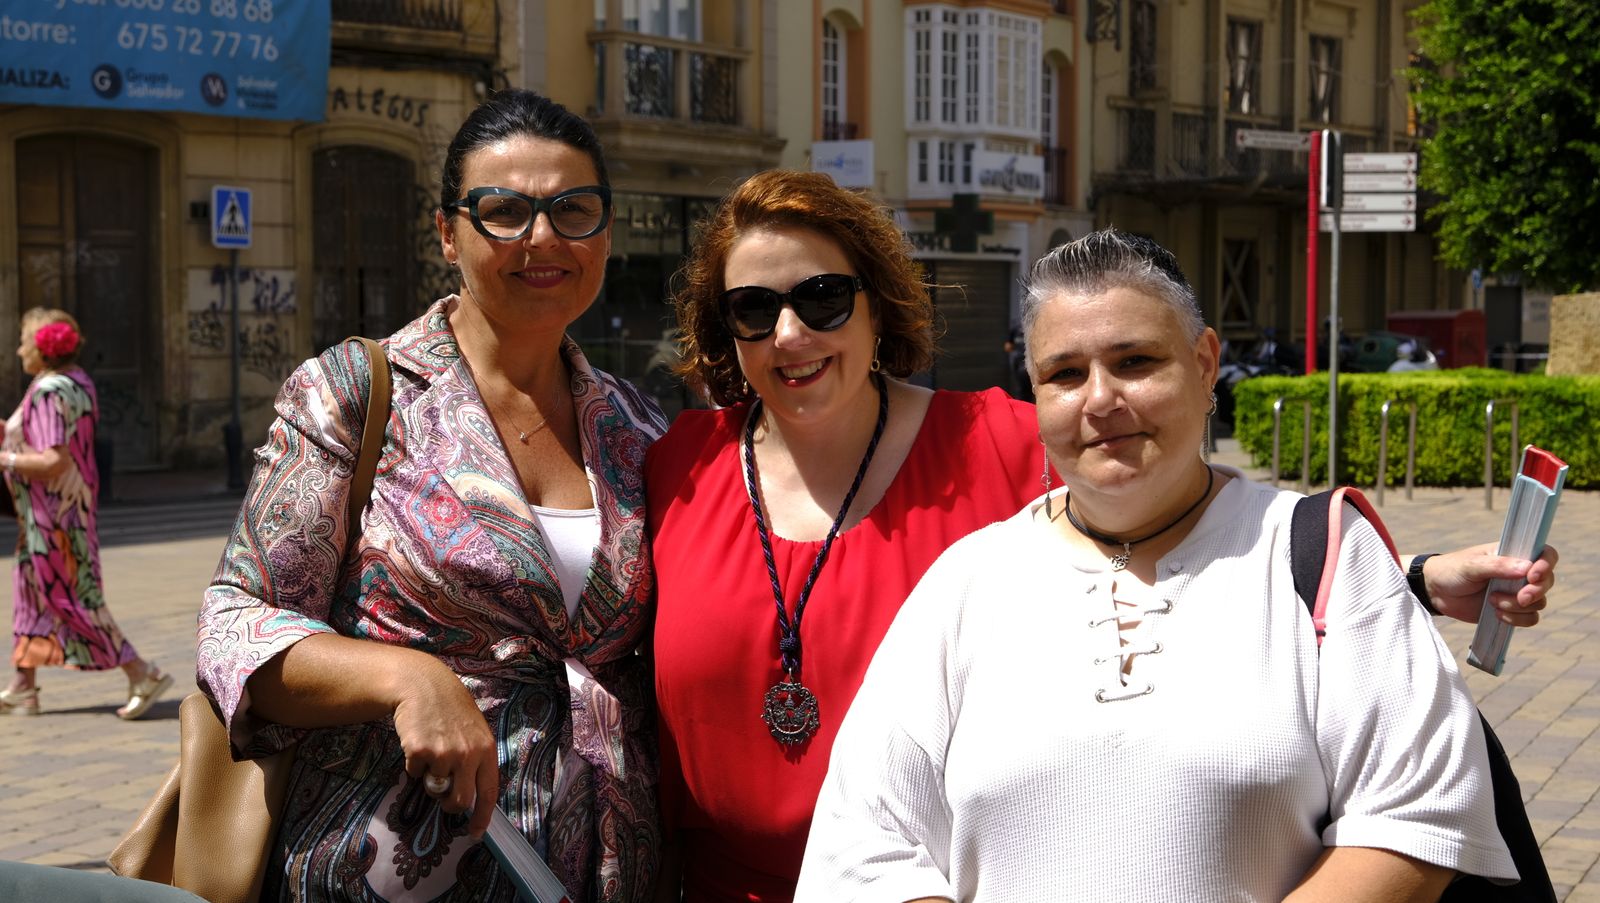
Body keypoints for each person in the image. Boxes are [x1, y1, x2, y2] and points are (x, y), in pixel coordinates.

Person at [646, 174, 1553, 902]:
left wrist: (1402, 577)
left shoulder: (989, 442)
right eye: (752, 308)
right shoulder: (679, 466)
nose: (1099, 400)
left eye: (822, 297)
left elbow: (1204, 532)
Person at [197, 90, 664, 902]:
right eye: (504, 211)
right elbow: (236, 622)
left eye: (573, 210)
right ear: (448, 233)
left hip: (605, 868)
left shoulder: (639, 426)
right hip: (380, 868)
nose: (543, 237)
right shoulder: (356, 391)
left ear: (606, 230)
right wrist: (409, 678)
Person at [0, 308, 173, 720]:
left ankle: (142, 672)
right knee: (30, 592)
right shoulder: (78, 381)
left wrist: (4, 458)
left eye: (23, 342)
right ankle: (23, 686)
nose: (19, 349)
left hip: (54, 520)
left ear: (43, 349)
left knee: (72, 599)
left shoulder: (48, 391)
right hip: (55, 516)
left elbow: (53, 460)